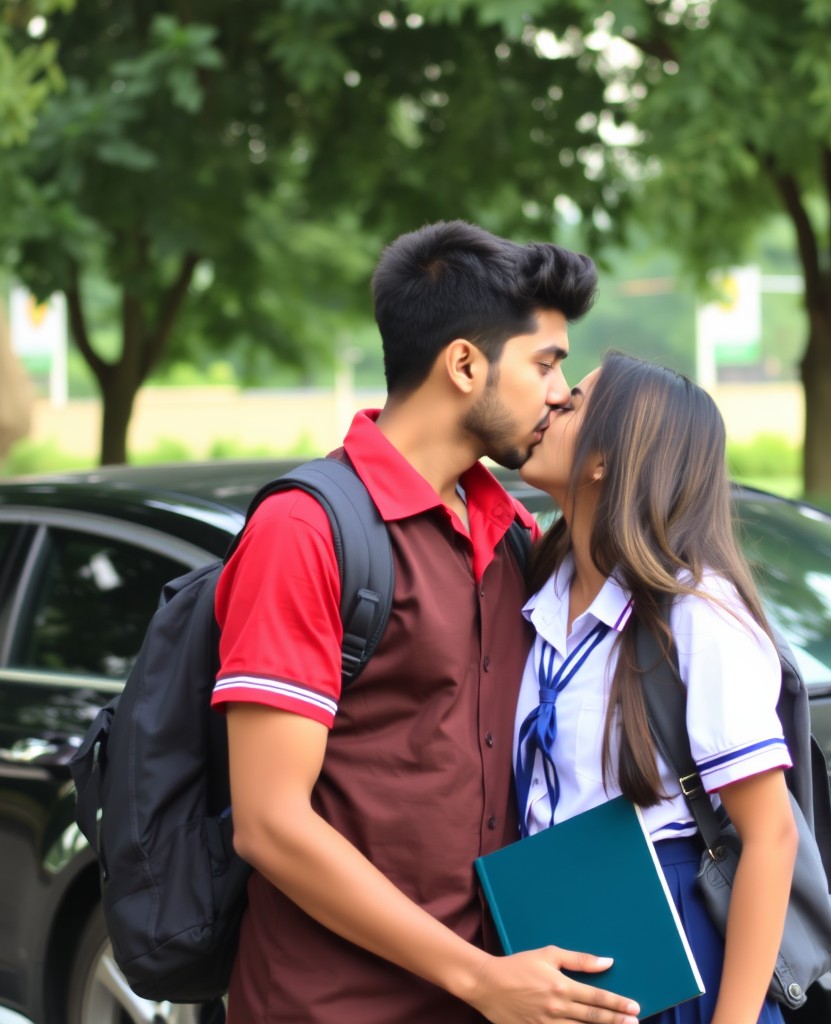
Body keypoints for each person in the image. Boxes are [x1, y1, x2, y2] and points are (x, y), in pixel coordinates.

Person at [210, 222, 641, 1024]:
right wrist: (479, 978)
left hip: (494, 1000)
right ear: (465, 363)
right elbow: (269, 824)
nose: (561, 390)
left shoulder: (512, 533)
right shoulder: (306, 532)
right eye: (545, 362)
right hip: (330, 1005)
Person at [516, 351, 799, 1024]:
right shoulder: (537, 594)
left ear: (606, 460)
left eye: (576, 401)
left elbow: (772, 836)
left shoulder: (697, 613)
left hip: (674, 959)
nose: (552, 402)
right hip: (561, 952)